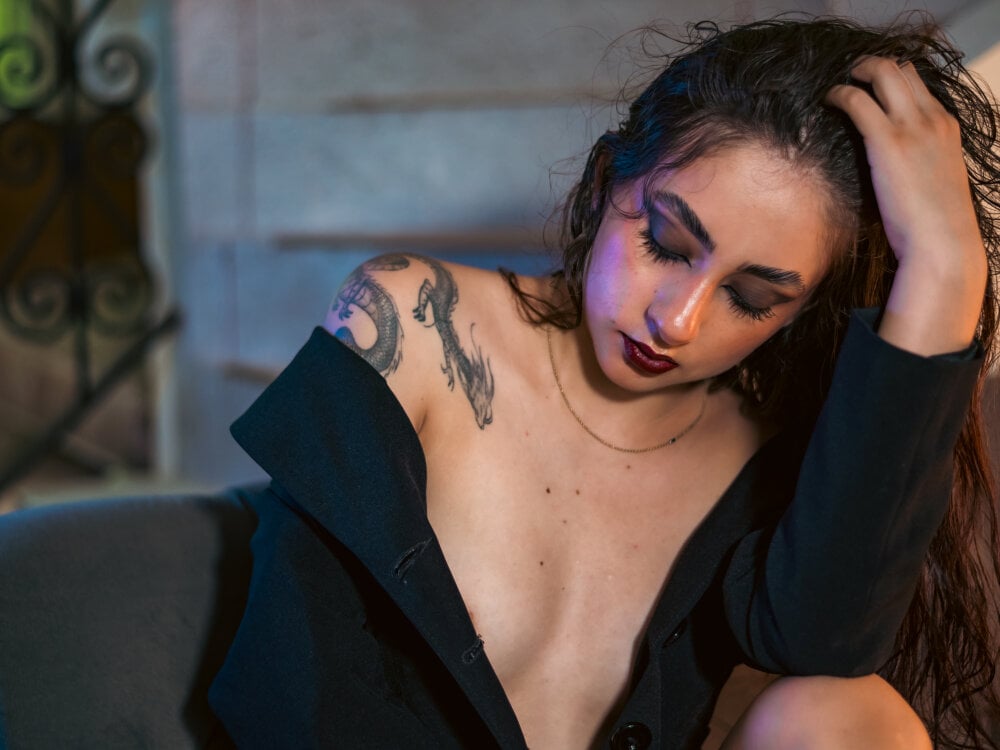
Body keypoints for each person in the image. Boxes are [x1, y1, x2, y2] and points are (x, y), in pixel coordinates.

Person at [208, 15, 1000, 750]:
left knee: (846, 717)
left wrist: (945, 274)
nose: (677, 321)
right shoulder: (416, 322)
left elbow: (826, 641)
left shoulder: (764, 448)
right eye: (665, 243)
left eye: (751, 297)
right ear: (600, 185)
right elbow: (291, 681)